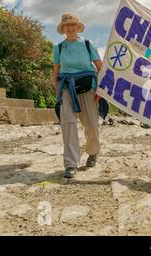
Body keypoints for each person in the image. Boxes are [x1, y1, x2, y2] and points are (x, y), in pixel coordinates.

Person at [53, 13, 103, 178]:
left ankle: (93, 151)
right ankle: (71, 164)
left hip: (89, 86)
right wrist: (57, 92)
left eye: (73, 24)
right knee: (68, 124)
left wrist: (101, 90)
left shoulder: (88, 44)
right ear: (63, 28)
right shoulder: (58, 47)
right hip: (67, 87)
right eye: (67, 25)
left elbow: (100, 68)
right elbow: (56, 72)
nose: (70, 27)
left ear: (77, 26)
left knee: (92, 124)